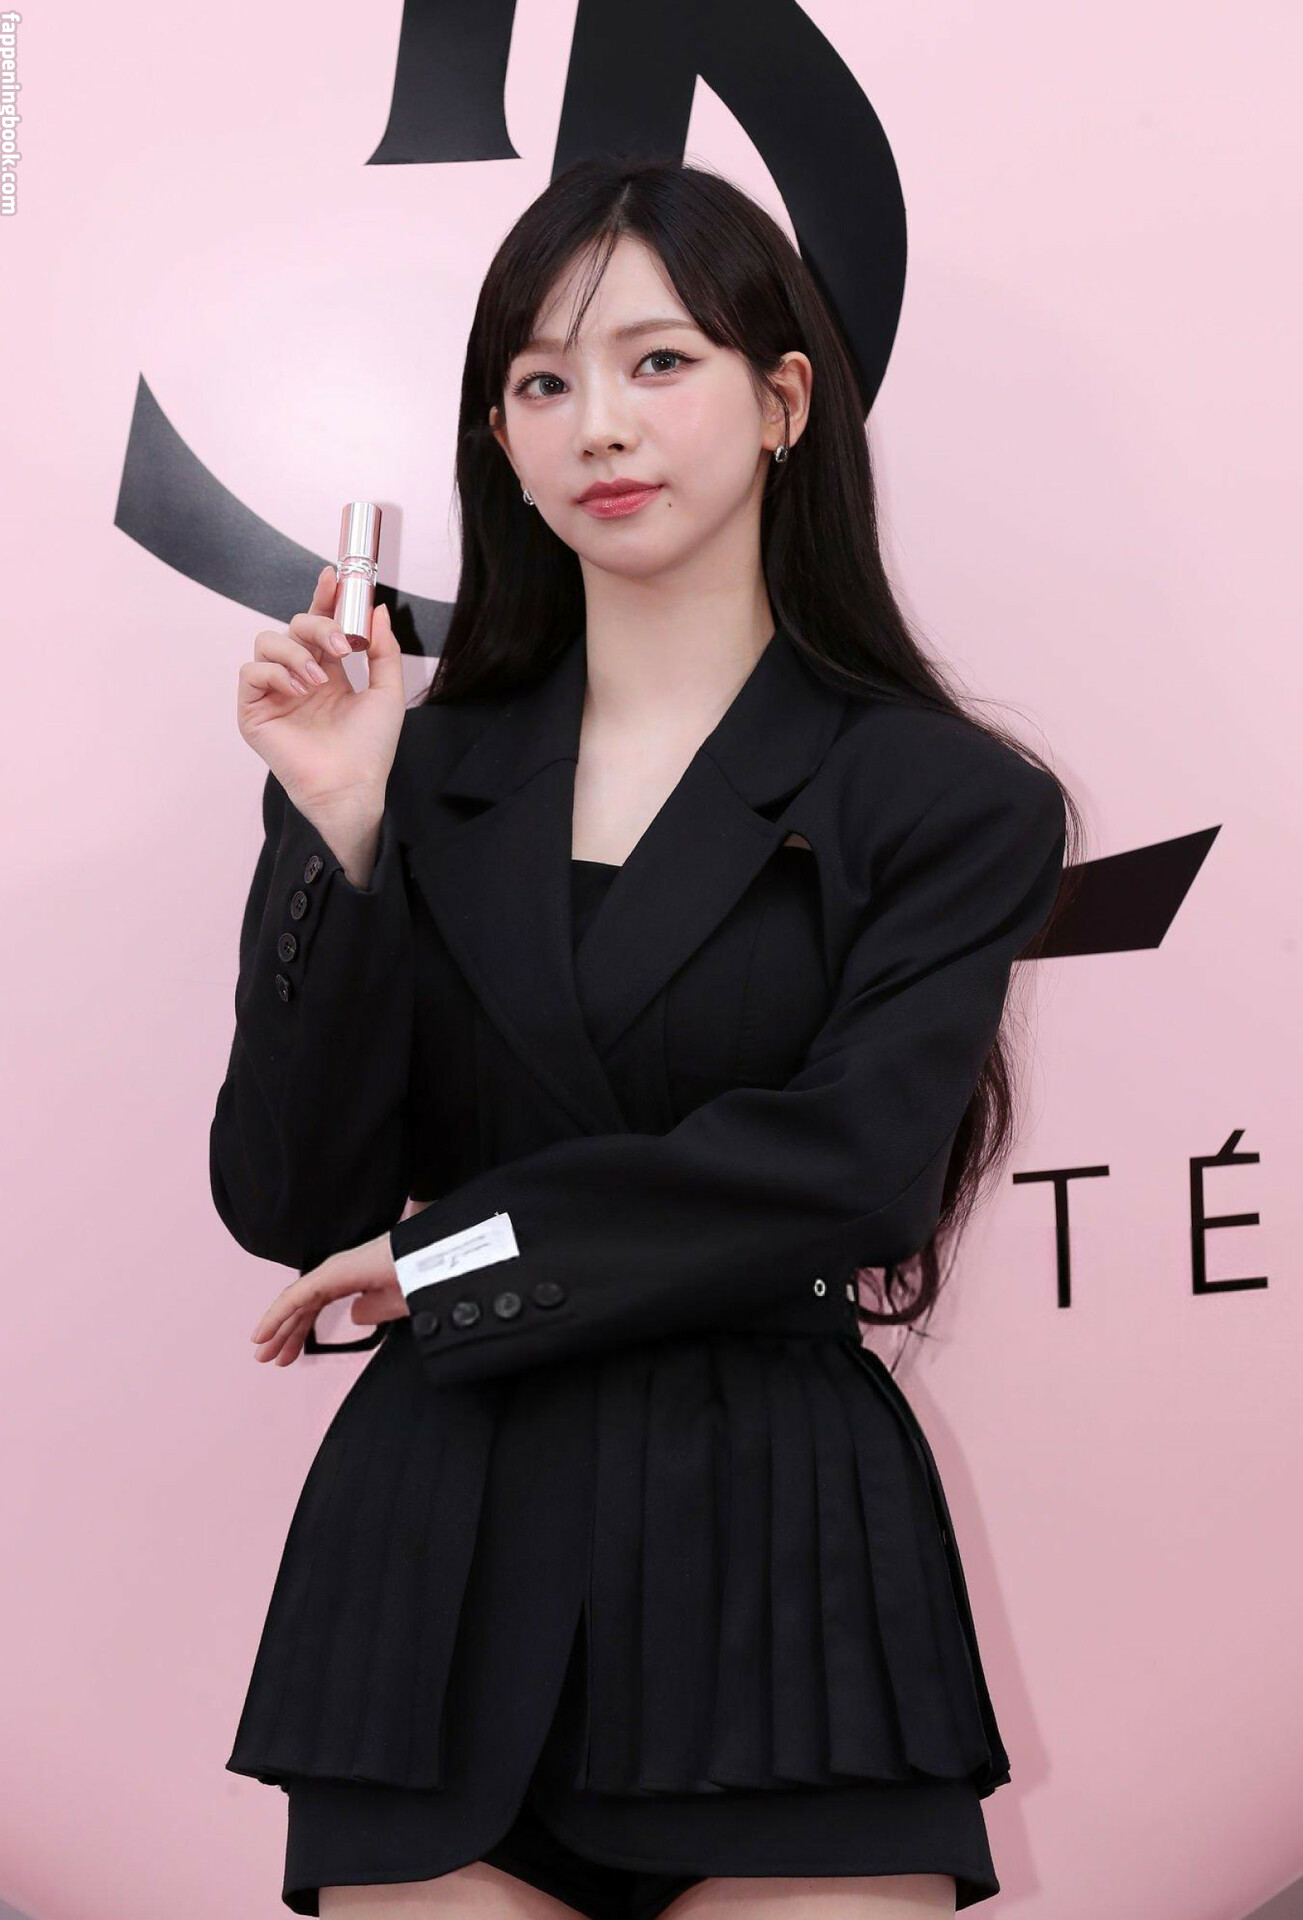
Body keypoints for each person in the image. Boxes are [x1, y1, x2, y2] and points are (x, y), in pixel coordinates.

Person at [211, 156, 1079, 1919]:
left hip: (784, 1551)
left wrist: (456, 1257)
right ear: (502, 443)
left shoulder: (942, 800)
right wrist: (342, 829)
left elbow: (853, 1172)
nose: (598, 423)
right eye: (543, 382)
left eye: (658, 362)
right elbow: (293, 1202)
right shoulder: (417, 771)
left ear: (783, 402)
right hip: (437, 1560)